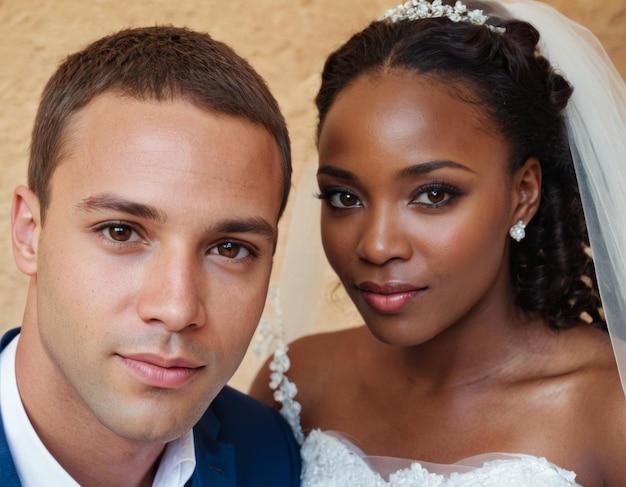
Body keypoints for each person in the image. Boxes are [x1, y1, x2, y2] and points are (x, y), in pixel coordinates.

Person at [250, 0, 626, 485]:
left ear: (522, 194)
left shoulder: (609, 405)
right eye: (345, 196)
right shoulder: (299, 385)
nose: (378, 246)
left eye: (433, 194)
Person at [0, 25, 301, 486]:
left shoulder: (273, 455)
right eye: (121, 232)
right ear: (28, 234)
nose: (178, 309)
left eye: (230, 248)